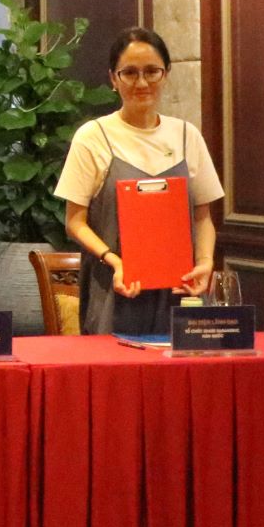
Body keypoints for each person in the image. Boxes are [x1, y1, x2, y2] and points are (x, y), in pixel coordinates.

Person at [56, 27, 222, 334]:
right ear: (113, 78)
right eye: (130, 73)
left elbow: (203, 217)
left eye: (152, 71)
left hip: (180, 294)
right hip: (115, 290)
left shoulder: (187, 135)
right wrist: (115, 261)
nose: (142, 83)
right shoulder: (93, 137)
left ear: (166, 74)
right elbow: (74, 223)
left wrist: (204, 262)